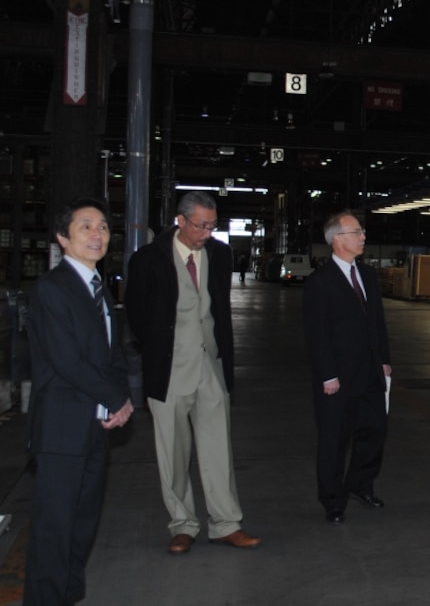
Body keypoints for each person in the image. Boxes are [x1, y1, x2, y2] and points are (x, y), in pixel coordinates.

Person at [126, 191, 260, 554]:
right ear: (180, 221)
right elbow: (136, 316)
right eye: (201, 225)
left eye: (213, 226)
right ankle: (182, 524)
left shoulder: (219, 254)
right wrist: (162, 348)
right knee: (172, 452)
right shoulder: (148, 259)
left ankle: (226, 523)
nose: (207, 233)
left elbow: (218, 309)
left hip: (210, 366)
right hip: (168, 369)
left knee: (219, 448)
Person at [24, 198, 134, 605]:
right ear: (62, 239)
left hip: (95, 425)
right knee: (54, 528)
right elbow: (67, 360)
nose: (97, 234)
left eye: (103, 227)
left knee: (82, 524)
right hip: (61, 428)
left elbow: (113, 354)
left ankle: (68, 595)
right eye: (85, 226)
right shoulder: (53, 289)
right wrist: (115, 397)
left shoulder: (99, 287)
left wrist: (120, 397)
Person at [303, 212, 391, 524]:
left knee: (374, 432)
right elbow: (317, 333)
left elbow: (376, 322)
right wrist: (328, 374)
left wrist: (384, 360)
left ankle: (360, 483)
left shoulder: (367, 275)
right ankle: (332, 500)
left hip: (369, 373)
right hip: (337, 378)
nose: (363, 236)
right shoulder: (320, 282)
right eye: (357, 232)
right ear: (338, 239)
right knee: (334, 441)